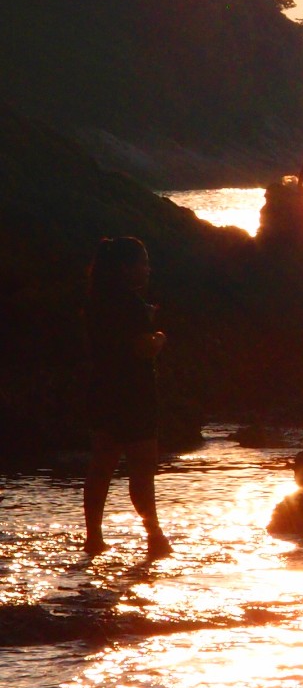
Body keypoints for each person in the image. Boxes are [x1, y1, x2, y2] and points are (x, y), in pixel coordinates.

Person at [81, 237, 172, 560]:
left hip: (102, 389)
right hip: (133, 394)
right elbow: (141, 348)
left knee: (101, 465)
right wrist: (159, 337)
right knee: (142, 470)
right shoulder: (129, 304)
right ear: (125, 268)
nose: (148, 269)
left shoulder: (96, 301)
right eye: (143, 262)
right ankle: (155, 537)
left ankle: (94, 538)